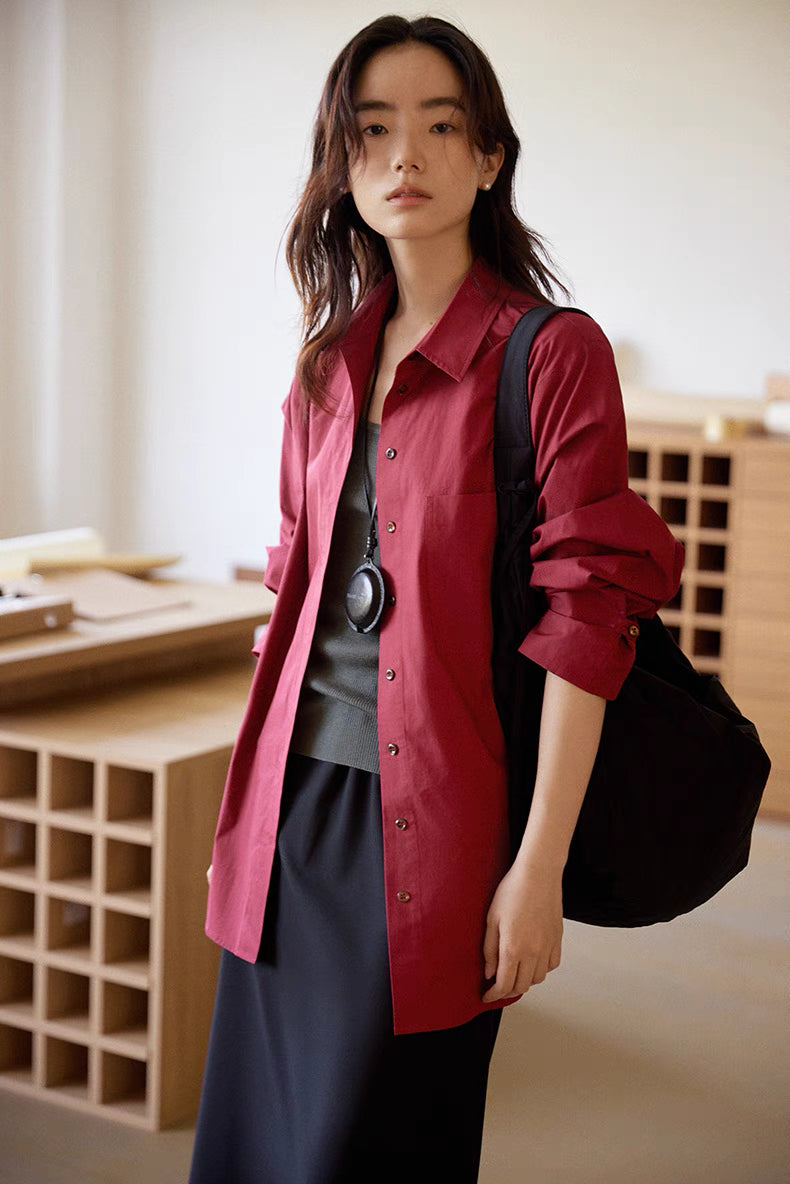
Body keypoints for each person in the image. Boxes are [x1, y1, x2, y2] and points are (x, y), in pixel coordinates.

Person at [189, 14, 683, 1184]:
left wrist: (537, 865)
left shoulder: (550, 353)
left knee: (377, 1142)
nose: (403, 156)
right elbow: (294, 592)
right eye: (370, 131)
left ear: (489, 157)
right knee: (258, 1143)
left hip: (438, 827)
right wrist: (244, 806)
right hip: (290, 813)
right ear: (340, 162)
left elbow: (587, 621)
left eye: (439, 125)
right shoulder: (323, 364)